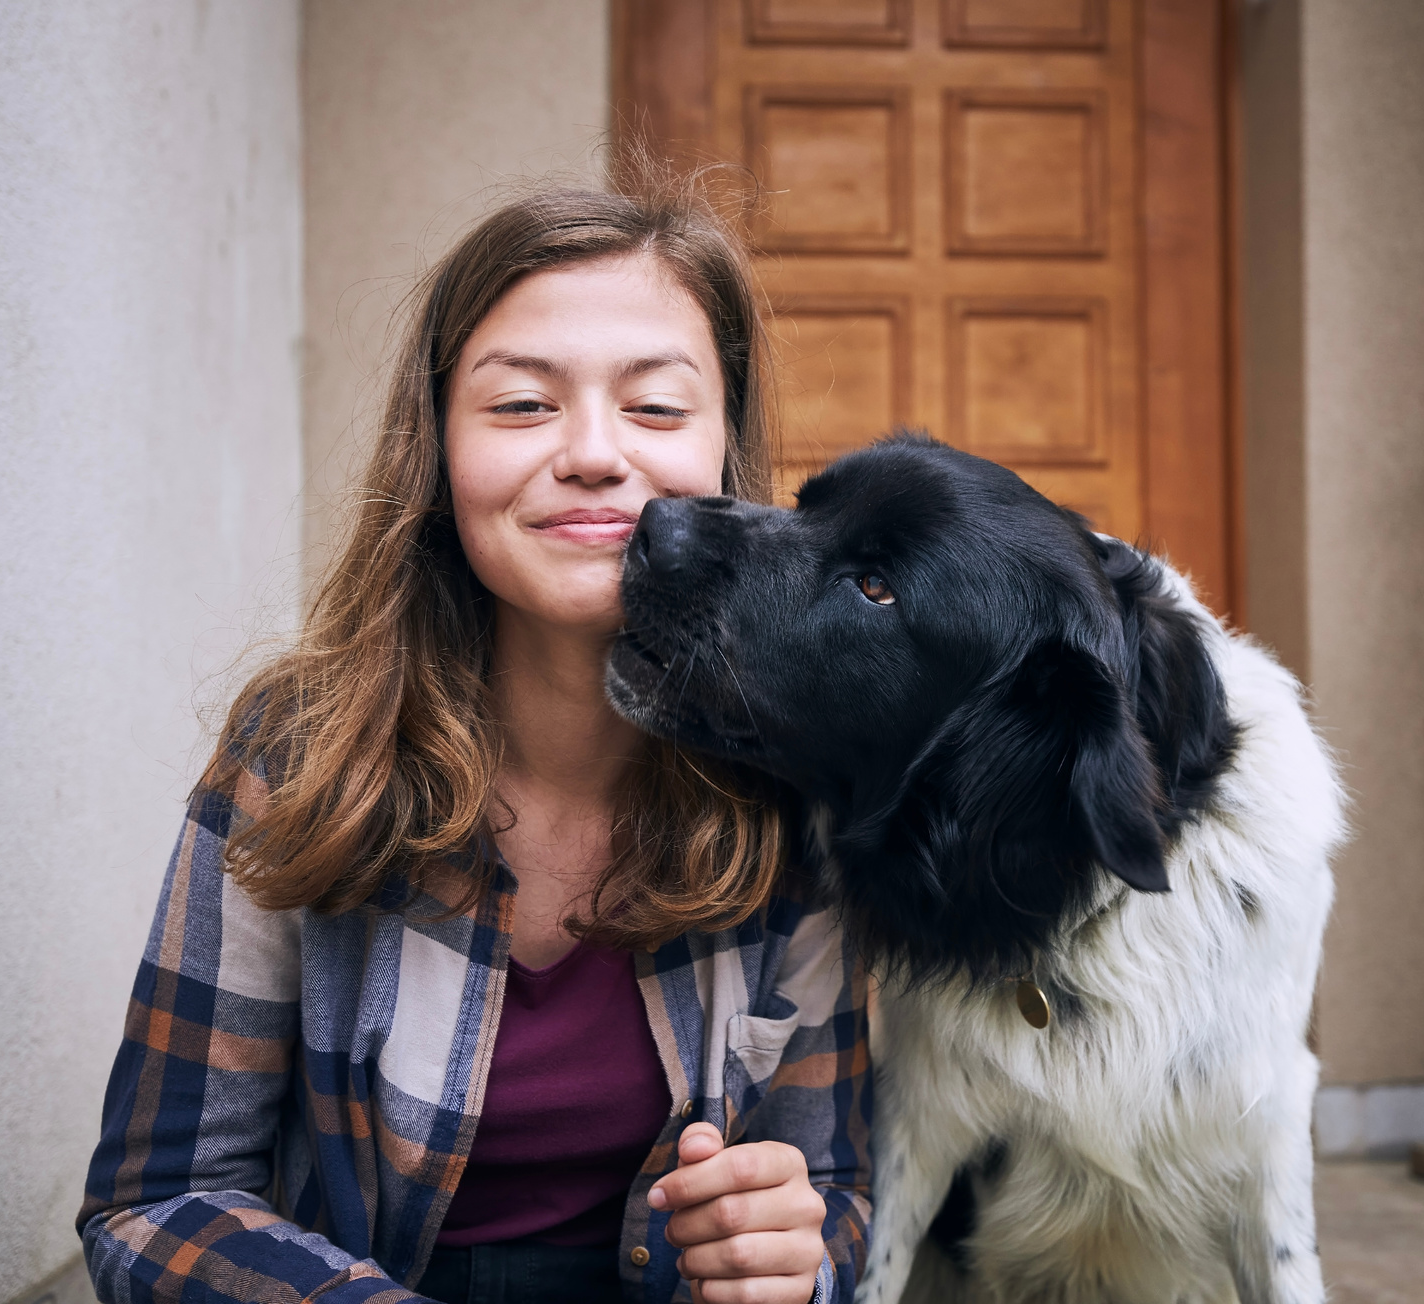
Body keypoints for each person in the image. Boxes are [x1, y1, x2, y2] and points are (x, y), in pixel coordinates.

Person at [77, 179, 872, 1304]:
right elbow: (150, 1204)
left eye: (655, 407)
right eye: (519, 405)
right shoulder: (299, 753)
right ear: (438, 453)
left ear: (725, 452)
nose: (595, 455)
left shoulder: (800, 784)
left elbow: (836, 1187)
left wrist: (806, 1251)